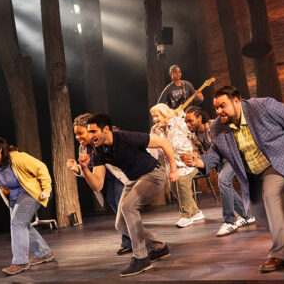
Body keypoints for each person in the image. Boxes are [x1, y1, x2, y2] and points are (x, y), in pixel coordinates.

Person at [183, 86, 284, 273]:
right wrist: (200, 161)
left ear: (236, 101)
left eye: (222, 106)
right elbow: (216, 151)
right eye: (216, 108)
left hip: (280, 160)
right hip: (254, 172)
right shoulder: (218, 126)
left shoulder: (263, 106)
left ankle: (281, 254)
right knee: (257, 210)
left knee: (271, 194)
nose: (218, 111)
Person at [80, 113, 179, 277]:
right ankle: (159, 247)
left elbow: (163, 142)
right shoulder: (99, 152)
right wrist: (84, 168)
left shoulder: (126, 137)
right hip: (133, 180)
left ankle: (141, 258)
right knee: (120, 224)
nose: (91, 136)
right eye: (89, 132)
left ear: (106, 129)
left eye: (93, 131)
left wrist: (173, 169)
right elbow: (97, 185)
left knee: (128, 207)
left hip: (153, 174)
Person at [0, 136, 55, 276]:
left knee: (17, 223)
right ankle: (44, 253)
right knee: (23, 225)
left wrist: (46, 190)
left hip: (31, 193)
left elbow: (41, 167)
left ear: (0, 150)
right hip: (14, 197)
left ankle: (20, 262)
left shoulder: (17, 158)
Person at [184, 106, 256, 236]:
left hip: (232, 156)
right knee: (225, 185)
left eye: (190, 121)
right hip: (218, 162)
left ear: (199, 118)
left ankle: (230, 221)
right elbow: (201, 156)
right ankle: (247, 216)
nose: (188, 124)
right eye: (186, 122)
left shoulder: (214, 126)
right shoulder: (193, 136)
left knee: (223, 181)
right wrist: (194, 159)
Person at [67, 113, 131, 254]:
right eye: (76, 134)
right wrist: (77, 169)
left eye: (80, 133)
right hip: (106, 180)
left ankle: (132, 240)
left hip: (121, 175)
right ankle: (132, 239)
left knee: (123, 208)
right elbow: (92, 174)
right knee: (116, 207)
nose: (77, 137)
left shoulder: (108, 139)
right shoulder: (83, 149)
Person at [150, 103, 205, 228]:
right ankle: (196, 212)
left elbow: (193, 133)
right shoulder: (154, 130)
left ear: (165, 114)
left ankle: (186, 216)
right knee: (174, 189)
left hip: (189, 163)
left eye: (157, 116)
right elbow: (153, 148)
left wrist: (195, 152)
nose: (155, 119)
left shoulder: (178, 122)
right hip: (172, 167)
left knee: (181, 184)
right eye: (153, 117)